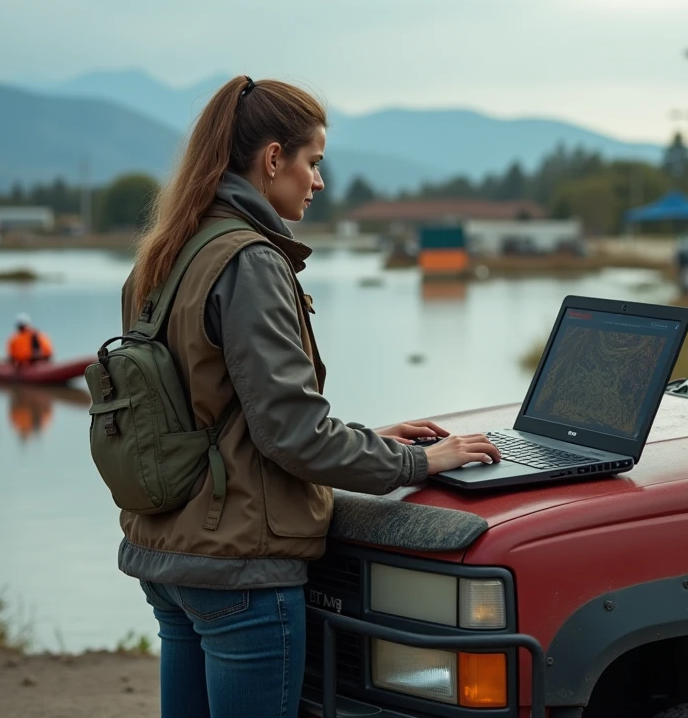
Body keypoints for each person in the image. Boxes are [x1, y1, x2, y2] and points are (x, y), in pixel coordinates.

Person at [119, 75, 501, 717]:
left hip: (170, 557)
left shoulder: (167, 251)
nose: (318, 181)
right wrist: (418, 462)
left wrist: (371, 441)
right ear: (273, 160)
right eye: (313, 162)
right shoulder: (249, 260)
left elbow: (222, 415)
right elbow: (289, 432)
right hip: (241, 566)